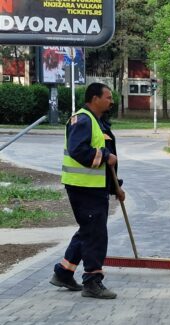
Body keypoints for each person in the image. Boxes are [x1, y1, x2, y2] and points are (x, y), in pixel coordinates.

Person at [50, 83, 124, 300]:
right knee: (95, 234)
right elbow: (78, 150)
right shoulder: (82, 119)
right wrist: (104, 154)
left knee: (88, 230)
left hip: (93, 187)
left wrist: (115, 187)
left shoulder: (97, 121)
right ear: (94, 98)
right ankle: (92, 282)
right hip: (84, 188)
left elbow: (105, 163)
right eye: (108, 97)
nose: (111, 101)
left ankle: (64, 272)